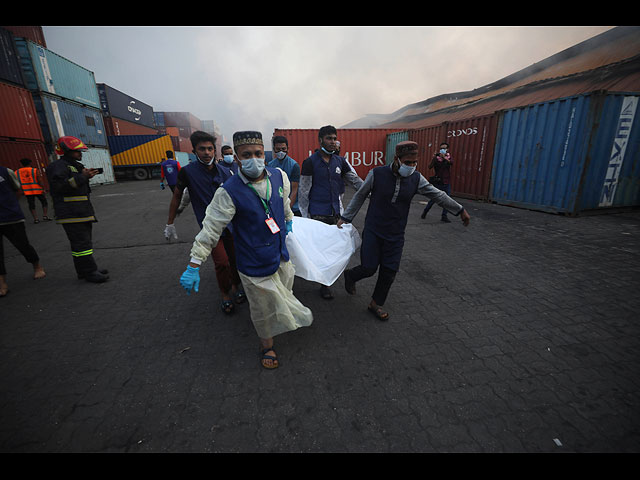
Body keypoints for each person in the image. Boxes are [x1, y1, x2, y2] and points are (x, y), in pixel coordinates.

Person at [179, 131, 313, 370]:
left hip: (280, 254)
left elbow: (283, 205)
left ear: (265, 153)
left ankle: (279, 324)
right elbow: (210, 228)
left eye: (258, 153)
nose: (254, 159)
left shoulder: (278, 175)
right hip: (252, 262)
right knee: (261, 308)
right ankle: (266, 345)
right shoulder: (228, 191)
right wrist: (194, 263)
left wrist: (289, 220)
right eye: (247, 155)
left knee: (283, 293)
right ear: (238, 158)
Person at [338, 141, 471, 320]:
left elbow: (437, 194)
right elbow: (360, 195)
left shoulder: (416, 178)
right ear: (397, 159)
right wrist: (345, 218)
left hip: (396, 233)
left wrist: (459, 209)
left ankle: (376, 303)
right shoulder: (377, 174)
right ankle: (351, 275)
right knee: (369, 267)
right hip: (374, 229)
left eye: (415, 162)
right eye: (408, 162)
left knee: (389, 270)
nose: (412, 166)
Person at [165, 130, 245, 315]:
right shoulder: (187, 172)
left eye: (210, 149)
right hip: (210, 228)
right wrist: (170, 222)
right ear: (194, 151)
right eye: (202, 149)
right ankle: (224, 294)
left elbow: (238, 196)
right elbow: (178, 196)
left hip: (231, 225)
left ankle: (235, 285)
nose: (207, 152)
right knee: (222, 262)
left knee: (235, 259)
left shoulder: (225, 172)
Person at [299, 125, 363, 299]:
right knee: (322, 251)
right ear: (320, 140)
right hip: (317, 214)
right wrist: (306, 217)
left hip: (336, 214)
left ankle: (333, 276)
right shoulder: (310, 162)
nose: (333, 142)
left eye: (335, 138)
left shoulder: (341, 162)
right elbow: (304, 191)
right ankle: (324, 285)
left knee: (336, 249)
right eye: (329, 138)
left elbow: (355, 181)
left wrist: (372, 189)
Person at [46, 136, 109, 283]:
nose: (80, 154)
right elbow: (59, 187)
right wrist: (82, 177)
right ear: (67, 151)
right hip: (71, 212)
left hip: (80, 211)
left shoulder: (74, 166)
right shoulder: (58, 166)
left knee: (80, 245)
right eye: (77, 151)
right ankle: (90, 272)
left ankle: (83, 270)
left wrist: (85, 176)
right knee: (83, 244)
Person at [0, 165, 46, 297]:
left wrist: (10, 205)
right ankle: (2, 282)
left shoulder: (5, 171)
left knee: (22, 244)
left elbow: (18, 190)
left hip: (11, 217)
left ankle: (37, 266)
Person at [421, 142, 454, 222]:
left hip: (446, 181)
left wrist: (445, 158)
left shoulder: (449, 158)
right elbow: (429, 167)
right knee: (434, 199)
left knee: (447, 199)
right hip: (438, 182)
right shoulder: (436, 158)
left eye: (445, 148)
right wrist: (434, 158)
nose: (443, 150)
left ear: (447, 149)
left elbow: (451, 163)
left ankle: (444, 216)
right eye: (441, 148)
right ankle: (425, 211)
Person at [268, 135, 301, 216]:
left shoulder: (294, 165)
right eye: (278, 149)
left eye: (283, 149)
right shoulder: (270, 165)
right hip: (276, 207)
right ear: (274, 149)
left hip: (292, 208)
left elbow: (294, 190)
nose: (281, 152)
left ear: (288, 149)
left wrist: (287, 210)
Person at [16, 158, 51, 223]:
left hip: (27, 191)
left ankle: (36, 219)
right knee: (44, 202)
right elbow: (40, 180)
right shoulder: (34, 170)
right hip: (37, 190)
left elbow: (16, 182)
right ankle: (45, 216)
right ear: (30, 163)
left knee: (31, 204)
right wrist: (43, 188)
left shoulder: (17, 172)